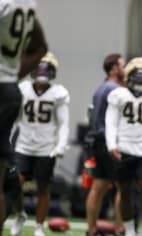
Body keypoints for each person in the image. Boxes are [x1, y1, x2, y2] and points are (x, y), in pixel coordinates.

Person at [0, 0, 48, 234]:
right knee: (4, 184)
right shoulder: (26, 4)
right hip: (9, 91)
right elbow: (41, 47)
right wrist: (11, 76)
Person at [9, 52, 68, 236]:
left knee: (43, 187)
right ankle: (20, 214)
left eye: (46, 68)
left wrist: (61, 145)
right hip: (23, 145)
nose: (42, 72)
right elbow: (14, 119)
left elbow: (63, 123)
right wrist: (8, 141)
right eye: (39, 67)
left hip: (46, 147)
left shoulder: (58, 93)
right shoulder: (23, 89)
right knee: (15, 184)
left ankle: (39, 226)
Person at [106, 57, 142, 236]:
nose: (139, 82)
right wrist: (111, 145)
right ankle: (129, 230)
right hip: (124, 148)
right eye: (136, 78)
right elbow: (111, 122)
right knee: (125, 192)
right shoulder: (118, 95)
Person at [86, 53, 125, 236]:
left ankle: (91, 230)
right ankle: (120, 229)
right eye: (122, 66)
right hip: (111, 143)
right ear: (114, 68)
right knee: (122, 187)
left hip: (97, 141)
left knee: (98, 187)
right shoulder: (115, 89)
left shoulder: (100, 88)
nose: (125, 70)